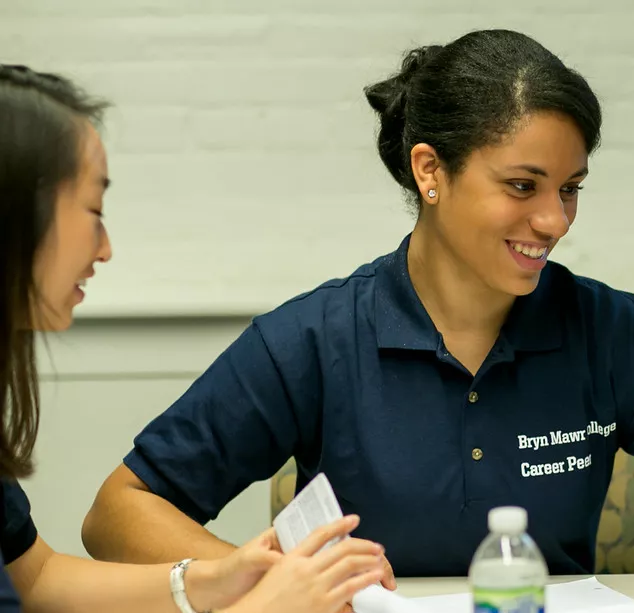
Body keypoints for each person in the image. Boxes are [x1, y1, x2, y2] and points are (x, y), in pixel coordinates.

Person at [80, 29, 634, 597]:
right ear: (430, 170)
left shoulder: (621, 334)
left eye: (570, 188)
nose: (554, 220)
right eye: (523, 186)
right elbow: (119, 511)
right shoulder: (315, 339)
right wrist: (268, 585)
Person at [0, 64, 388, 613]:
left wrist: (217, 577)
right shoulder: (311, 332)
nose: (105, 247)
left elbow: (35, 578)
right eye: (93, 212)